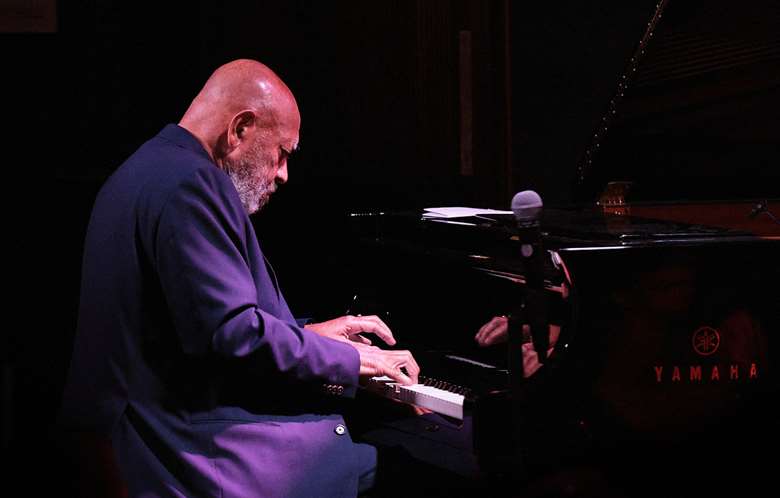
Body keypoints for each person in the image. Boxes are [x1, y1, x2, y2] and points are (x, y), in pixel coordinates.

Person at [59, 59, 419, 498]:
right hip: (190, 453)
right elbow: (232, 335)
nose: (284, 173)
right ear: (241, 129)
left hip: (150, 438)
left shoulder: (140, 170)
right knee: (412, 467)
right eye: (282, 153)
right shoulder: (190, 183)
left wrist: (313, 334)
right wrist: (353, 361)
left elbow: (193, 324)